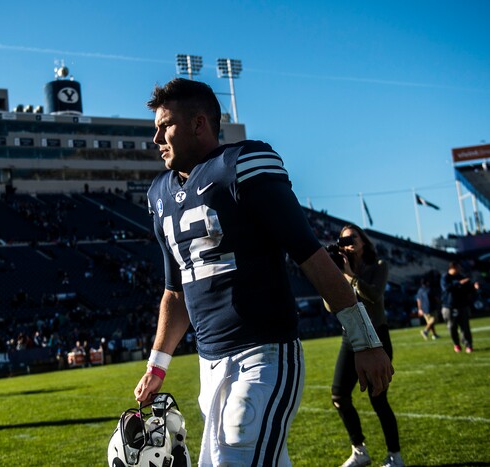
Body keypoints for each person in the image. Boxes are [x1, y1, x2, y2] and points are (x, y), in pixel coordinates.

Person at [133, 78, 393, 466]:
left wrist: (365, 340)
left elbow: (310, 254)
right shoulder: (160, 195)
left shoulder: (242, 163)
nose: (155, 138)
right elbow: (176, 293)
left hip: (264, 352)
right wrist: (157, 366)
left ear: (198, 123)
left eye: (164, 125)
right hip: (210, 362)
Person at [327, 224, 404, 467]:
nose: (346, 243)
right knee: (339, 396)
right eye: (342, 240)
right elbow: (331, 307)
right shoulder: (340, 270)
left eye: (351, 237)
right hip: (350, 337)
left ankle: (395, 456)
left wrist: (350, 274)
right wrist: (334, 275)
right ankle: (359, 450)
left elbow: (373, 295)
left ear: (363, 241)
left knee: (378, 398)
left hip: (376, 337)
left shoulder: (378, 267)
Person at [441, 261, 476, 353]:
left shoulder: (461, 277)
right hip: (449, 306)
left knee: (465, 327)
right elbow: (446, 288)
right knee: (452, 327)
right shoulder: (445, 277)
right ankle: (456, 344)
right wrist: (459, 283)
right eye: (458, 267)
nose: (460, 269)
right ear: (453, 267)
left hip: (461, 305)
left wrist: (473, 287)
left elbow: (468, 289)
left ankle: (468, 345)